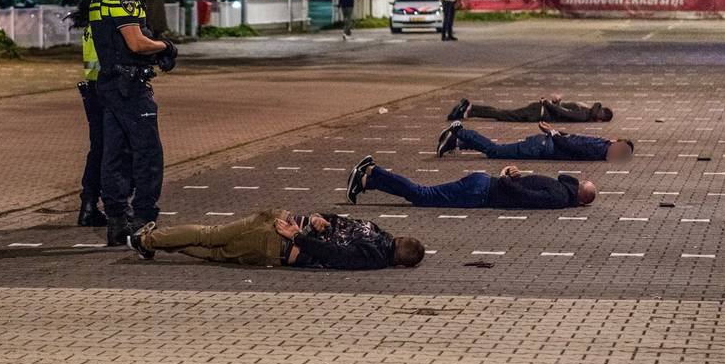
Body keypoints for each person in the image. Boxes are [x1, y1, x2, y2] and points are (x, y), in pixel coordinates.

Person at [90, 0, 179, 246]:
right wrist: (165, 47)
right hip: (130, 87)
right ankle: (143, 218)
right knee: (148, 153)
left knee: (114, 154)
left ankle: (117, 220)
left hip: (109, 83)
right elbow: (135, 42)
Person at [126, 209, 426, 270]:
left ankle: (151, 241)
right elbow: (333, 255)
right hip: (279, 244)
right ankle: (147, 241)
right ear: (399, 263)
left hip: (282, 218)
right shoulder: (373, 257)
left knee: (211, 236)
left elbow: (329, 219)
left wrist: (315, 219)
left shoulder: (373, 228)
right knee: (213, 249)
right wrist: (297, 236)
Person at [347, 155, 597, 209]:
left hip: (481, 182)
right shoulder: (558, 198)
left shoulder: (558, 184)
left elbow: (525, 185)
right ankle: (373, 170)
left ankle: (368, 181)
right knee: (423, 195)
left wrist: (507, 175)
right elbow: (524, 197)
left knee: (424, 194)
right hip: (482, 193)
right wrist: (503, 178)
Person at [68, 0, 108, 226]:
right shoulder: (102, 29)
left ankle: (89, 203)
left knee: (99, 149)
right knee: (109, 150)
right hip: (105, 91)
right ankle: (97, 204)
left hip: (93, 91)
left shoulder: (90, 29)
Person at [437, 120, 634, 162]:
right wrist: (554, 133)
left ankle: (455, 143)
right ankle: (459, 131)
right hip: (541, 147)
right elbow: (571, 144)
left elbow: (572, 139)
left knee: (499, 150)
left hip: (543, 144)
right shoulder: (599, 148)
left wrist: (555, 132)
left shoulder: (601, 144)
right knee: (495, 151)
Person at [446, 95, 613, 123]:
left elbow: (562, 109)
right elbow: (563, 112)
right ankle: (470, 108)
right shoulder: (584, 115)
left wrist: (554, 102)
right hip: (538, 112)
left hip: (539, 109)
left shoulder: (585, 109)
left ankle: (470, 110)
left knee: (503, 113)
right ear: (599, 118)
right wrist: (549, 104)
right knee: (503, 114)